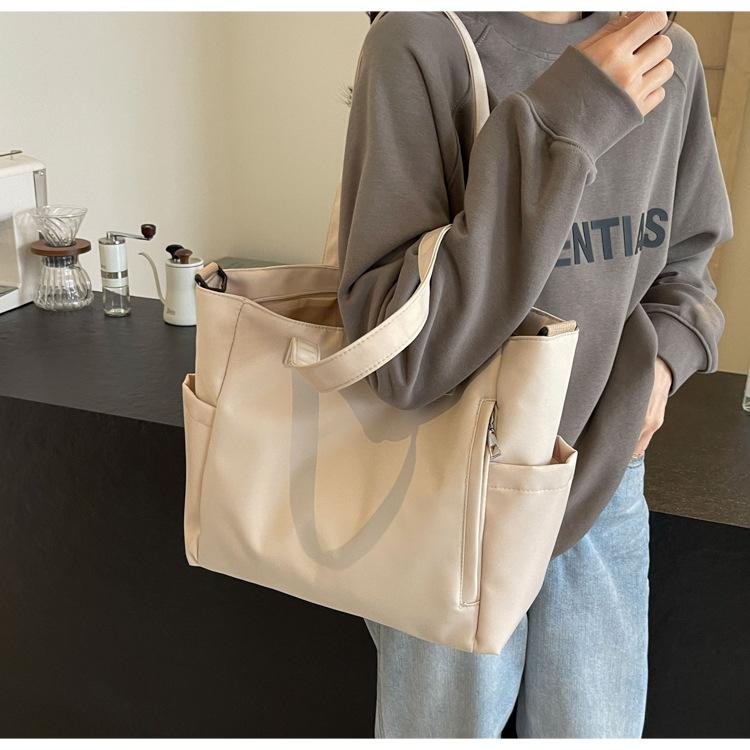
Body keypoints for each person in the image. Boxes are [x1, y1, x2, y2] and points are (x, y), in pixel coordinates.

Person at [335, 9, 734, 739]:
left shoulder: (661, 51)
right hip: (453, 491)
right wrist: (568, 115)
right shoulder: (420, 41)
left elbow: (685, 265)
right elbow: (399, 358)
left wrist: (661, 372)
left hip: (606, 482)